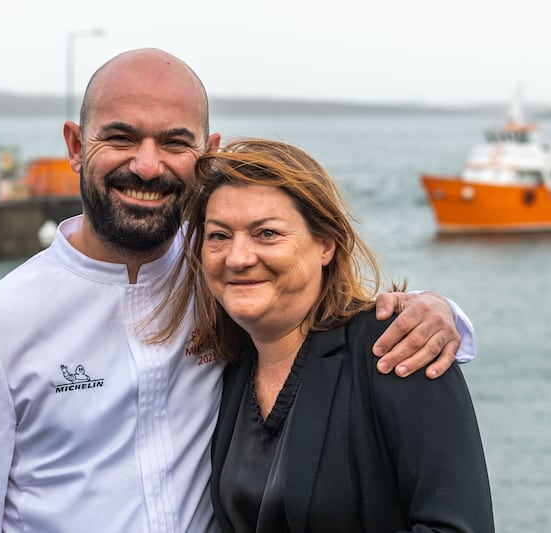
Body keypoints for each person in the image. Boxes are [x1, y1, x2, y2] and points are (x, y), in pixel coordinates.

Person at [0, 48, 477, 532]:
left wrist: (437, 312)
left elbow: (316, 297)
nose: (146, 165)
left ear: (206, 153)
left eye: (173, 142)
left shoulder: (220, 277)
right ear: (75, 145)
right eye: (120, 137)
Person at [161, 138, 493, 531]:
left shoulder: (397, 347)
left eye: (266, 233)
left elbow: (457, 526)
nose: (237, 257)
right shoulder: (229, 367)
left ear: (326, 244)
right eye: (218, 236)